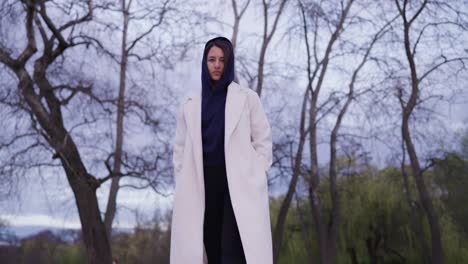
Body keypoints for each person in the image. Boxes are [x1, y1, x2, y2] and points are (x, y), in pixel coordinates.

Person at [170, 36, 273, 264]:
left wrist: (256, 171)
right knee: (212, 247)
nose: (216, 65)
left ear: (229, 63)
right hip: (202, 185)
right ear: (204, 63)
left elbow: (263, 140)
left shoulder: (247, 99)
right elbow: (180, 148)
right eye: (211, 59)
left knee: (232, 250)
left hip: (237, 183)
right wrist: (183, 177)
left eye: (222, 60)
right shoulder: (190, 103)